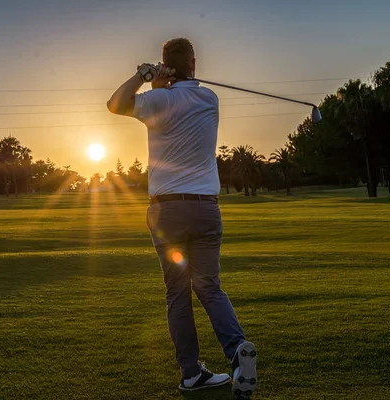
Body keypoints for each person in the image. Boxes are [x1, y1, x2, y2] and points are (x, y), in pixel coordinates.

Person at [106, 38, 257, 396]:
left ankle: (191, 373)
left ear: (165, 65)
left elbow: (115, 105)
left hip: (168, 211)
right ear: (193, 61)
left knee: (177, 293)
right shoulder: (210, 99)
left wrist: (144, 77)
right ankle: (237, 352)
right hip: (206, 208)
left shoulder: (157, 100)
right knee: (209, 287)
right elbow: (178, 102)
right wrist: (164, 85)